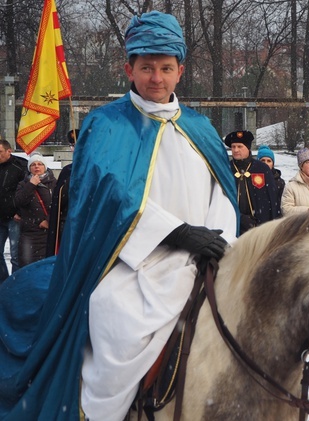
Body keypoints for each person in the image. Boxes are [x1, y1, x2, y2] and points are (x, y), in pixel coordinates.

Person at [0, 11, 239, 419]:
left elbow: (224, 194)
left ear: (180, 71)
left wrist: (217, 241)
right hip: (128, 260)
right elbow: (103, 199)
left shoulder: (200, 128)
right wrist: (177, 232)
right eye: (146, 67)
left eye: (166, 68)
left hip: (203, 258)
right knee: (115, 320)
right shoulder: (105, 124)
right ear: (128, 68)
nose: (156, 78)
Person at [225, 130, 280, 234]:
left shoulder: (262, 169)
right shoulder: (227, 168)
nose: (236, 150)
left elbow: (272, 200)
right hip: (232, 225)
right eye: (233, 147)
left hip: (258, 227)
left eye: (240, 146)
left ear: (248, 148)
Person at [14, 153, 56, 267]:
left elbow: (59, 205)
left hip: (49, 231)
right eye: (33, 164)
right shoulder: (23, 184)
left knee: (47, 265)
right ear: (29, 168)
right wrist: (31, 185)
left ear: (45, 166)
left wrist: (48, 220)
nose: (37, 167)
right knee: (28, 265)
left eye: (40, 164)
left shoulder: (54, 183)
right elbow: (19, 201)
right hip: (29, 232)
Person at [46, 129, 77, 257]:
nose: (74, 149)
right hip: (67, 221)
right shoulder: (67, 170)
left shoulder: (96, 168)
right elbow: (59, 197)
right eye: (73, 146)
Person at [0, 139, 27, 282]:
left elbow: (27, 192)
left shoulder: (20, 166)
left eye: (0, 152)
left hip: (14, 217)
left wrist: (20, 212)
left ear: (9, 151)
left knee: (16, 255)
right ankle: (4, 282)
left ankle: (16, 283)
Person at [256, 144, 285, 211]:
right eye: (262, 160)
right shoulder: (251, 179)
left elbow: (282, 203)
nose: (265, 163)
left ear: (273, 164)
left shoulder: (279, 182)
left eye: (269, 161)